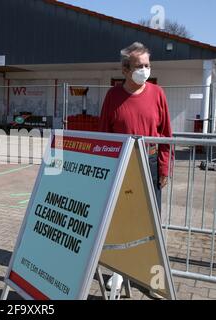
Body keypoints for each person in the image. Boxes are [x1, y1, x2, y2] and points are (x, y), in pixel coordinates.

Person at [98, 42, 173, 299]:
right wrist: (105, 169)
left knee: (151, 224)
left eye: (147, 65)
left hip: (149, 164)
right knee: (121, 222)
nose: (145, 70)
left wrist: (164, 168)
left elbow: (165, 135)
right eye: (139, 66)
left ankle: (154, 279)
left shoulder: (157, 93)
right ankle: (118, 273)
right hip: (121, 166)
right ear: (125, 70)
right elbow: (104, 135)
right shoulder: (112, 97)